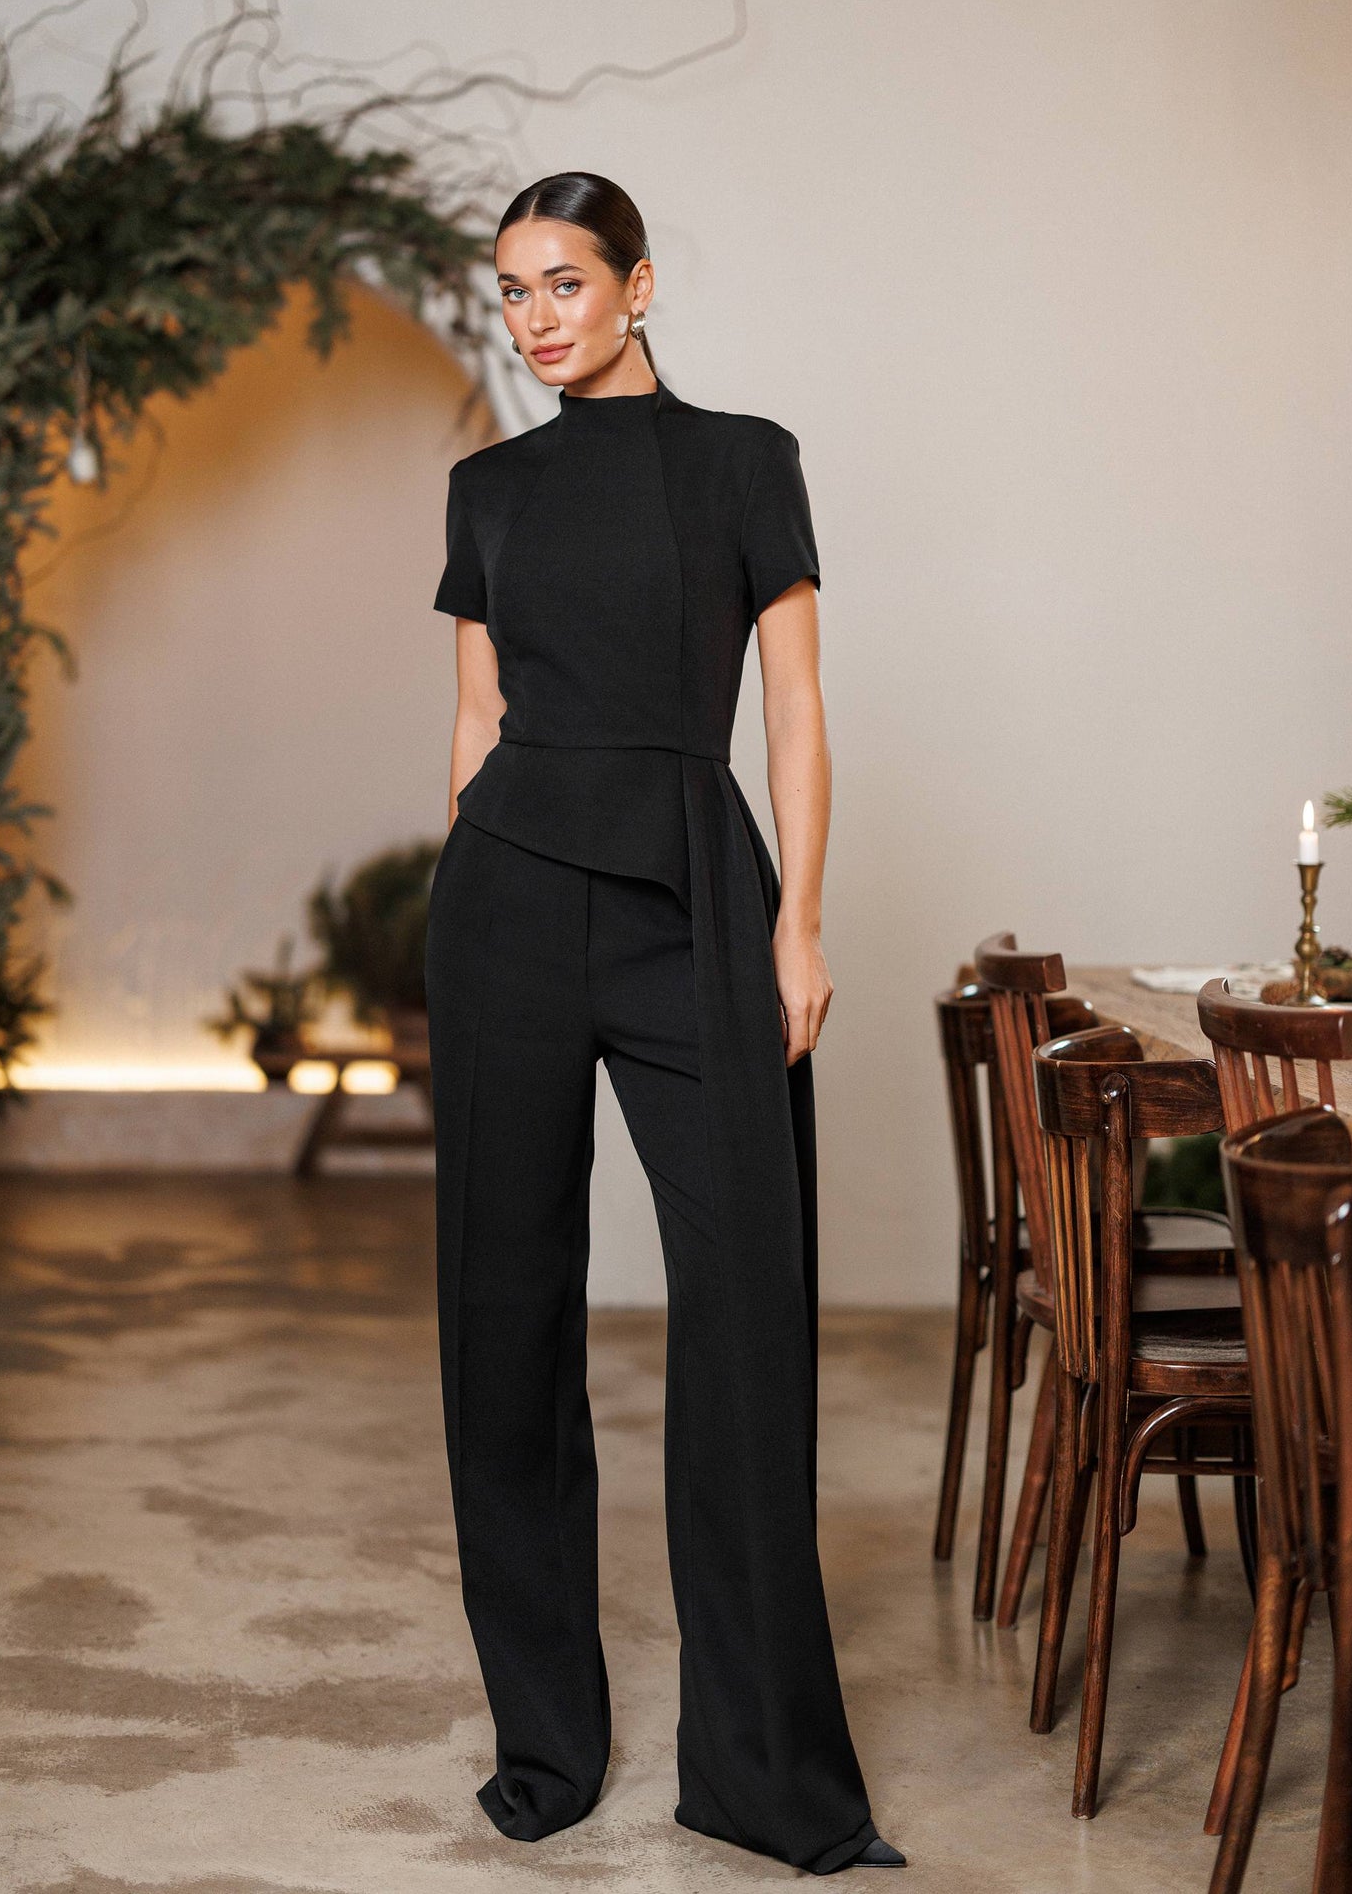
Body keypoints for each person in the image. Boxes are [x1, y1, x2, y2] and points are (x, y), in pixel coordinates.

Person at [423, 170, 904, 1876]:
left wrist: (798, 924)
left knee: (745, 1309)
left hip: (693, 895)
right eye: (511, 291)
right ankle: (545, 1748)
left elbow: (797, 711)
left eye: (563, 281)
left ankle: (761, 1774)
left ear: (636, 285)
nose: (534, 317)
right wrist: (457, 895)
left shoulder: (742, 462)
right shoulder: (486, 489)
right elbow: (474, 722)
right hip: (506, 900)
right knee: (500, 1321)